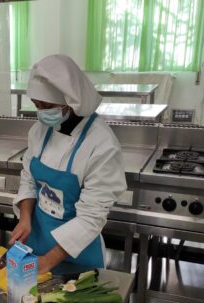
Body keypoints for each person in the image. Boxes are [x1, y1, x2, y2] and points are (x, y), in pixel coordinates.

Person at [10, 55, 127, 274]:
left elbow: (91, 218)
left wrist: (47, 261)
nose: (42, 113)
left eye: (48, 106)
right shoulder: (39, 130)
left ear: (71, 102)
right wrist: (25, 218)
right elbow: (28, 179)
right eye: (37, 106)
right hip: (36, 243)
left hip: (79, 256)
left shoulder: (101, 144)